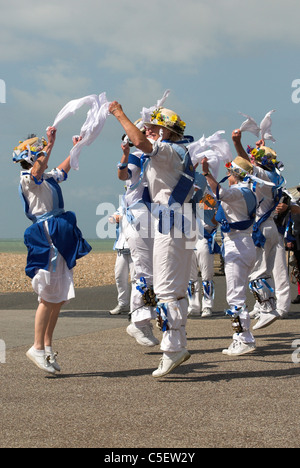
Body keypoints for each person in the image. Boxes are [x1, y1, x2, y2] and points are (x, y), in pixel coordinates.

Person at [109, 101, 196, 377]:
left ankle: (172, 350)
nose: (148, 130)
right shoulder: (180, 152)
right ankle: (176, 344)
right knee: (176, 287)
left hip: (170, 222)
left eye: (154, 127)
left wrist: (119, 114)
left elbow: (139, 141)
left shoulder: (167, 152)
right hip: (182, 221)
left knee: (167, 289)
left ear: (166, 132)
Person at [13, 128, 91, 374]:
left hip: (58, 231)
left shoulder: (47, 177)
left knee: (57, 298)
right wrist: (51, 145)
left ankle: (46, 347)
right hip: (47, 235)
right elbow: (37, 170)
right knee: (48, 295)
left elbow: (63, 169)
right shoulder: (29, 177)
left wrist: (77, 147)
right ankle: (36, 346)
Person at [201, 155, 257, 356]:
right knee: (238, 292)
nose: (226, 175)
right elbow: (219, 202)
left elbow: (221, 193)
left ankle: (244, 339)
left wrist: (206, 173)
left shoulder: (238, 191)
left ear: (234, 174)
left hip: (237, 244)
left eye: (229, 172)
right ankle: (242, 338)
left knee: (235, 295)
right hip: (245, 243)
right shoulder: (249, 192)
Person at [232, 129, 285, 330]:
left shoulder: (262, 175)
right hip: (270, 226)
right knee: (265, 270)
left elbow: (244, 163)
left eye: (255, 159)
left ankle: (267, 308)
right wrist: (259, 150)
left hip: (261, 227)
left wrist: (237, 142)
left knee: (256, 272)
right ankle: (265, 306)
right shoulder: (275, 176)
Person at [117, 130, 159, 347]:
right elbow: (123, 175)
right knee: (143, 270)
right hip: (139, 217)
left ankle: (144, 319)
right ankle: (138, 320)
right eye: (148, 131)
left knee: (152, 270)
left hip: (153, 216)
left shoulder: (156, 156)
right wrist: (125, 155)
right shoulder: (136, 157)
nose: (153, 134)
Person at [188, 192, 219, 318]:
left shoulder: (208, 199)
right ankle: (193, 306)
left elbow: (213, 223)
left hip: (203, 238)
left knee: (207, 275)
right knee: (191, 277)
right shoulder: (184, 197)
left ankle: (207, 306)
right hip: (188, 239)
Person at [109, 210, 134, 315]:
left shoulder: (141, 205)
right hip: (121, 248)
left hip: (135, 248)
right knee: (119, 277)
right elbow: (111, 218)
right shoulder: (123, 207)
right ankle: (123, 304)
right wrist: (115, 218)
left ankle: (136, 307)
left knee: (136, 279)